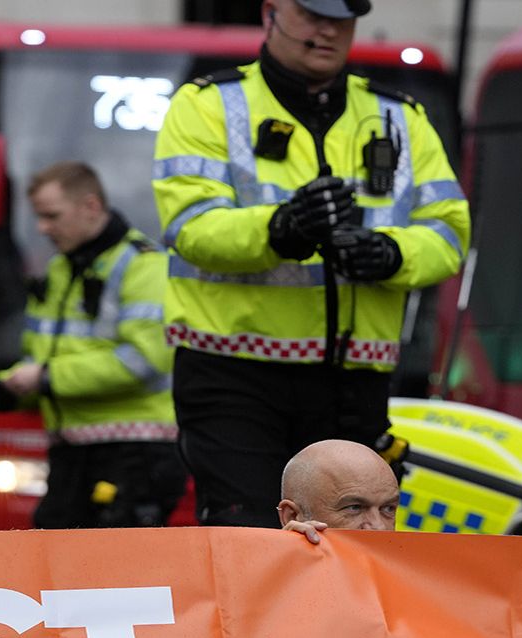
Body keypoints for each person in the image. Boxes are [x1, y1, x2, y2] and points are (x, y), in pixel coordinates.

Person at [151, 0, 470, 527]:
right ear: (270, 13)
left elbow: (449, 231)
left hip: (353, 376)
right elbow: (189, 226)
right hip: (235, 372)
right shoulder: (208, 105)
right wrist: (279, 228)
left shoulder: (399, 117)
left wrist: (391, 253)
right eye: (311, 14)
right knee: (249, 531)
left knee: (355, 537)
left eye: (342, 19)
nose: (328, 30)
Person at [0, 162, 185, 528]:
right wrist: (4, 387)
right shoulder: (61, 269)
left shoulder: (143, 266)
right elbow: (44, 356)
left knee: (118, 575)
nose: (42, 228)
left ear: (91, 206)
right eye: (39, 216)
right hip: (74, 450)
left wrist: (44, 378)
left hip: (137, 452)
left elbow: (143, 360)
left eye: (52, 216)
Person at [276, 438, 400, 540]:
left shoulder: (411, 567)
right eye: (355, 507)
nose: (379, 526)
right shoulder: (264, 568)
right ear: (292, 517)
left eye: (388, 508)